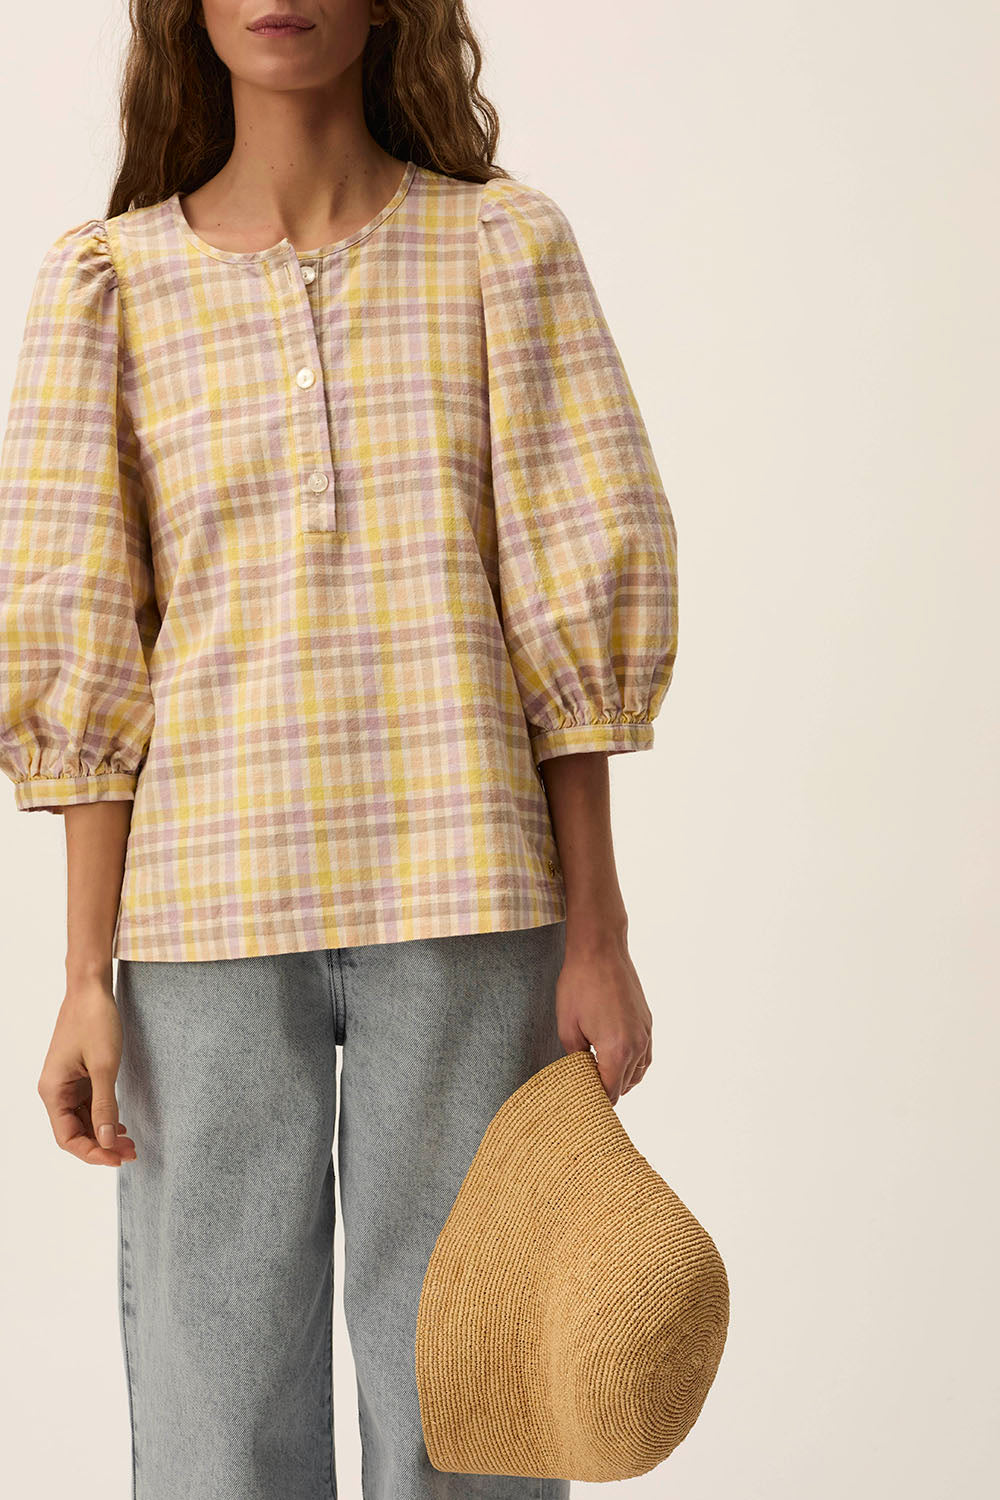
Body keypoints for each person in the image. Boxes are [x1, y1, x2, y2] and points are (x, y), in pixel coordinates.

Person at [0, 4, 678, 1498]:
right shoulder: (110, 286)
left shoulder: (500, 251)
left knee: (469, 1405)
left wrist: (599, 932)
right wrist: (81, 977)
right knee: (216, 1415)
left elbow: (564, 607)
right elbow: (85, 635)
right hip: (204, 912)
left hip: (470, 894)